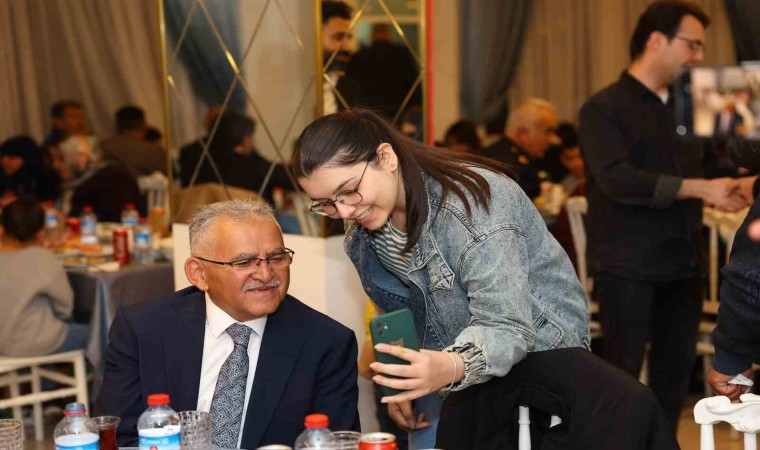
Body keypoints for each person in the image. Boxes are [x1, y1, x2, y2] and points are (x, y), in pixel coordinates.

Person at [294, 109, 590, 448]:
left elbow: (508, 326)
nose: (345, 211)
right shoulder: (364, 227)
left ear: (386, 157)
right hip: (453, 367)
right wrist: (399, 381)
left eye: (349, 190)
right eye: (326, 204)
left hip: (537, 364)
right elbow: (397, 311)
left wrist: (449, 366)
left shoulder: (474, 203)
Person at [578, 0, 752, 431]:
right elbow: (617, 179)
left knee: (673, 376)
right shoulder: (603, 107)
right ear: (656, 41)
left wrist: (743, 185)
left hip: (684, 261)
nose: (699, 56)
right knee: (620, 376)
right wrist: (701, 189)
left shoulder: (688, 106)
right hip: (627, 265)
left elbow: (712, 168)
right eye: (693, 45)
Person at [95, 199, 360, 448]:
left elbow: (334, 443)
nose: (266, 274)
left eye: (277, 258)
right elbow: (117, 437)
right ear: (198, 273)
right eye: (244, 262)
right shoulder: (142, 328)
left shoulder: (326, 343)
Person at [0, 199, 88, 357]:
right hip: (33, 341)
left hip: (3, 343)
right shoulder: (42, 258)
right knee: (103, 333)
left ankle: (46, 374)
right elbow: (65, 308)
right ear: (41, 231)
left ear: (2, 228)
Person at [178, 110, 296, 205]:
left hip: (193, 221)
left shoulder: (189, 155)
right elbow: (292, 179)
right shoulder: (250, 166)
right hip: (246, 224)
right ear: (245, 139)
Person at [479, 98, 560, 199]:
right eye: (548, 132)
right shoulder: (507, 165)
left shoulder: (501, 154)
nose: (555, 140)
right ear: (523, 134)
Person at [346, 23, 420, 120]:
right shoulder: (402, 54)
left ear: (372, 35)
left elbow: (351, 85)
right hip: (397, 108)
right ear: (389, 34)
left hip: (368, 109)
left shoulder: (360, 56)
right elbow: (412, 82)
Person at [100, 105, 167, 178]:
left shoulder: (103, 147)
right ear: (144, 124)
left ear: (117, 126)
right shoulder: (153, 150)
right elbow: (168, 177)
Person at [322, 0, 363, 114]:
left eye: (349, 38)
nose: (348, 48)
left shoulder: (349, 88)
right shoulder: (290, 87)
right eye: (339, 37)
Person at [0, 136, 57, 202]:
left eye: (11, 157)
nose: (4, 162)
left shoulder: (45, 182)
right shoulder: (5, 181)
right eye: (2, 158)